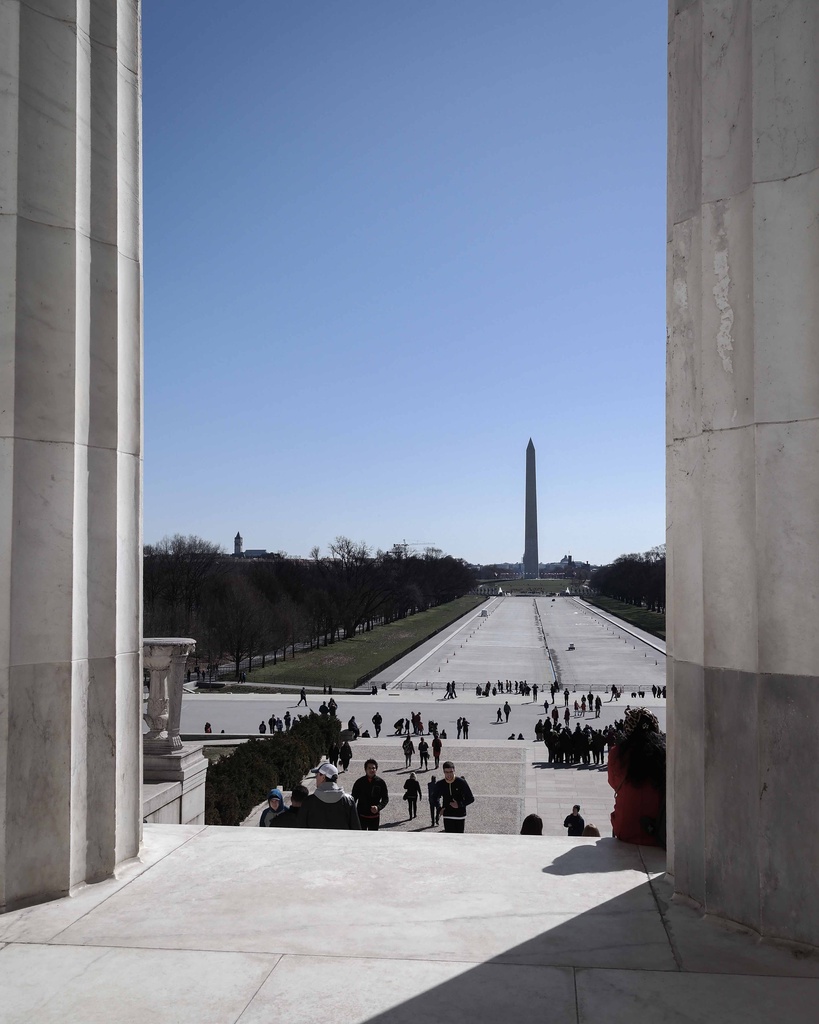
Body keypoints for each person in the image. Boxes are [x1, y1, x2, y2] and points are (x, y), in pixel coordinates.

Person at [608, 707, 666, 847]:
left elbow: (613, 782)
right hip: (658, 830)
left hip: (626, 829)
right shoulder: (665, 753)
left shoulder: (617, 754)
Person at [299, 762, 360, 830]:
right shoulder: (349, 800)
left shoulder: (308, 801)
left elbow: (301, 829)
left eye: (317, 775)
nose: (316, 777)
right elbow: (356, 829)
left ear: (323, 777)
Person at [432, 761, 474, 833]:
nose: (449, 774)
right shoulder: (440, 784)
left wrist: (459, 804)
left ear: (454, 770)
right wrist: (439, 808)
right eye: (446, 772)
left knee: (459, 840)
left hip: (460, 815)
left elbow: (471, 798)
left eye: (451, 772)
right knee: (449, 840)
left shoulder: (461, 782)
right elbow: (434, 797)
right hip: (447, 815)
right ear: (443, 772)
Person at [351, 758, 389, 830]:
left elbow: (385, 799)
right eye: (369, 768)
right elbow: (353, 799)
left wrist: (378, 807)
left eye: (373, 768)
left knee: (373, 839)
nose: (371, 770)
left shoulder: (381, 783)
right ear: (365, 769)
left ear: (376, 769)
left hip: (374, 817)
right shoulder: (359, 782)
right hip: (361, 816)